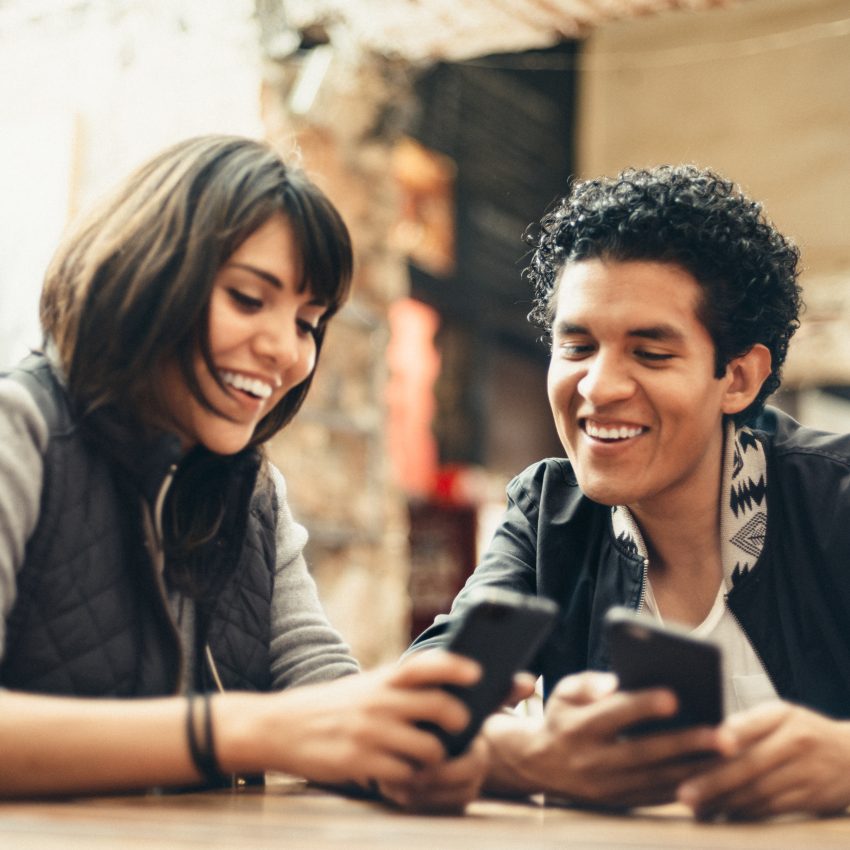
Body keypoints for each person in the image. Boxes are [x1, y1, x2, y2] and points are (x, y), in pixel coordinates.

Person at [0, 134, 492, 807]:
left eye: (309, 323)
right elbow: (279, 726)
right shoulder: (18, 427)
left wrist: (501, 751)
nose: (285, 352)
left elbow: (320, 687)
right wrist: (239, 730)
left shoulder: (252, 492)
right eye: (248, 299)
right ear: (146, 271)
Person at [411, 164, 850, 820]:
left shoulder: (834, 502)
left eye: (650, 353)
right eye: (578, 346)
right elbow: (409, 716)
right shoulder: (548, 517)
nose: (598, 386)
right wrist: (529, 755)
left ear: (737, 377)